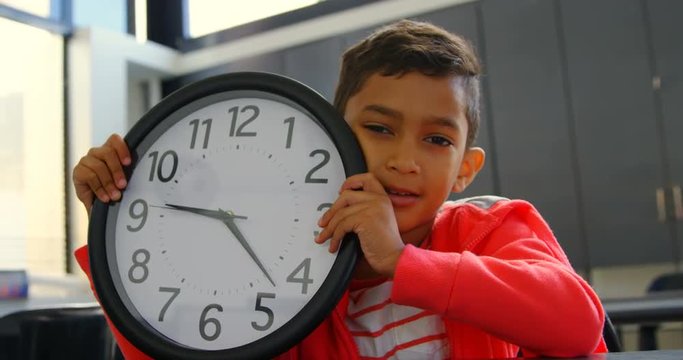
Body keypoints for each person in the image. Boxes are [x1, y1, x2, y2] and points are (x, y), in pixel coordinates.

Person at [72, 19, 607, 359]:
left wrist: (403, 262)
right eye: (378, 129)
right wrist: (115, 225)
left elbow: (579, 324)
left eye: (437, 139)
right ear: (327, 137)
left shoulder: (492, 227)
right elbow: (186, 350)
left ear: (465, 169)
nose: (403, 160)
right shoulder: (285, 264)